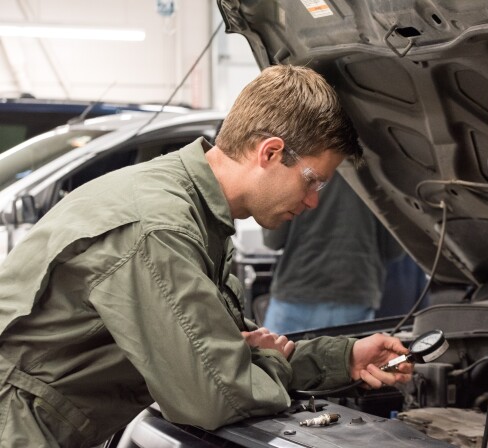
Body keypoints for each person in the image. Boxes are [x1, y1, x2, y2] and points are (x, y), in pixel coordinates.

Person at [0, 65, 412, 447]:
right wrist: (254, 359)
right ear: (269, 152)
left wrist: (344, 359)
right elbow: (216, 396)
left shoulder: (194, 211)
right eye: (311, 182)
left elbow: (228, 351)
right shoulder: (161, 229)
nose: (311, 202)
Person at [262, 171, 404, 333]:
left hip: (297, 291)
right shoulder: (376, 170)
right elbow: (394, 250)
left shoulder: (298, 166)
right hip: (354, 292)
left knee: (276, 357)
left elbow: (272, 240)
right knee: (345, 357)